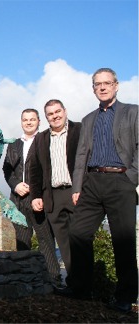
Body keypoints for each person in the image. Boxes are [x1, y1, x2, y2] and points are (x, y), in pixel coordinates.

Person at [66, 68, 138, 312]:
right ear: (93, 88)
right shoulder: (88, 119)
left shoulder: (134, 112)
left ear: (116, 85)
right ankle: (81, 289)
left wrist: (131, 178)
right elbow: (81, 155)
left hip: (121, 181)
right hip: (92, 183)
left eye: (107, 83)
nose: (103, 87)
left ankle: (125, 297)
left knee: (123, 241)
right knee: (77, 232)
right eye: (98, 84)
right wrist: (77, 186)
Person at [3, 108, 60, 284]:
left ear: (39, 121)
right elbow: (7, 169)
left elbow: (50, 169)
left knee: (46, 239)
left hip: (40, 199)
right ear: (21, 122)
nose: (28, 122)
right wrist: (15, 185)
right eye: (25, 120)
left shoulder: (46, 140)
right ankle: (23, 278)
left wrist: (41, 193)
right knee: (22, 240)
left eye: (32, 119)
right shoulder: (13, 144)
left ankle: (53, 278)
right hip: (18, 200)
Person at [28, 99, 81, 284]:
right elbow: (34, 170)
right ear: (46, 117)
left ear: (65, 111)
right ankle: (75, 284)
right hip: (53, 197)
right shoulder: (41, 138)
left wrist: (83, 188)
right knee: (64, 243)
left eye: (58, 111)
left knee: (82, 239)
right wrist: (35, 196)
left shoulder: (80, 130)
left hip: (77, 193)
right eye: (50, 114)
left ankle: (89, 286)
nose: (55, 116)